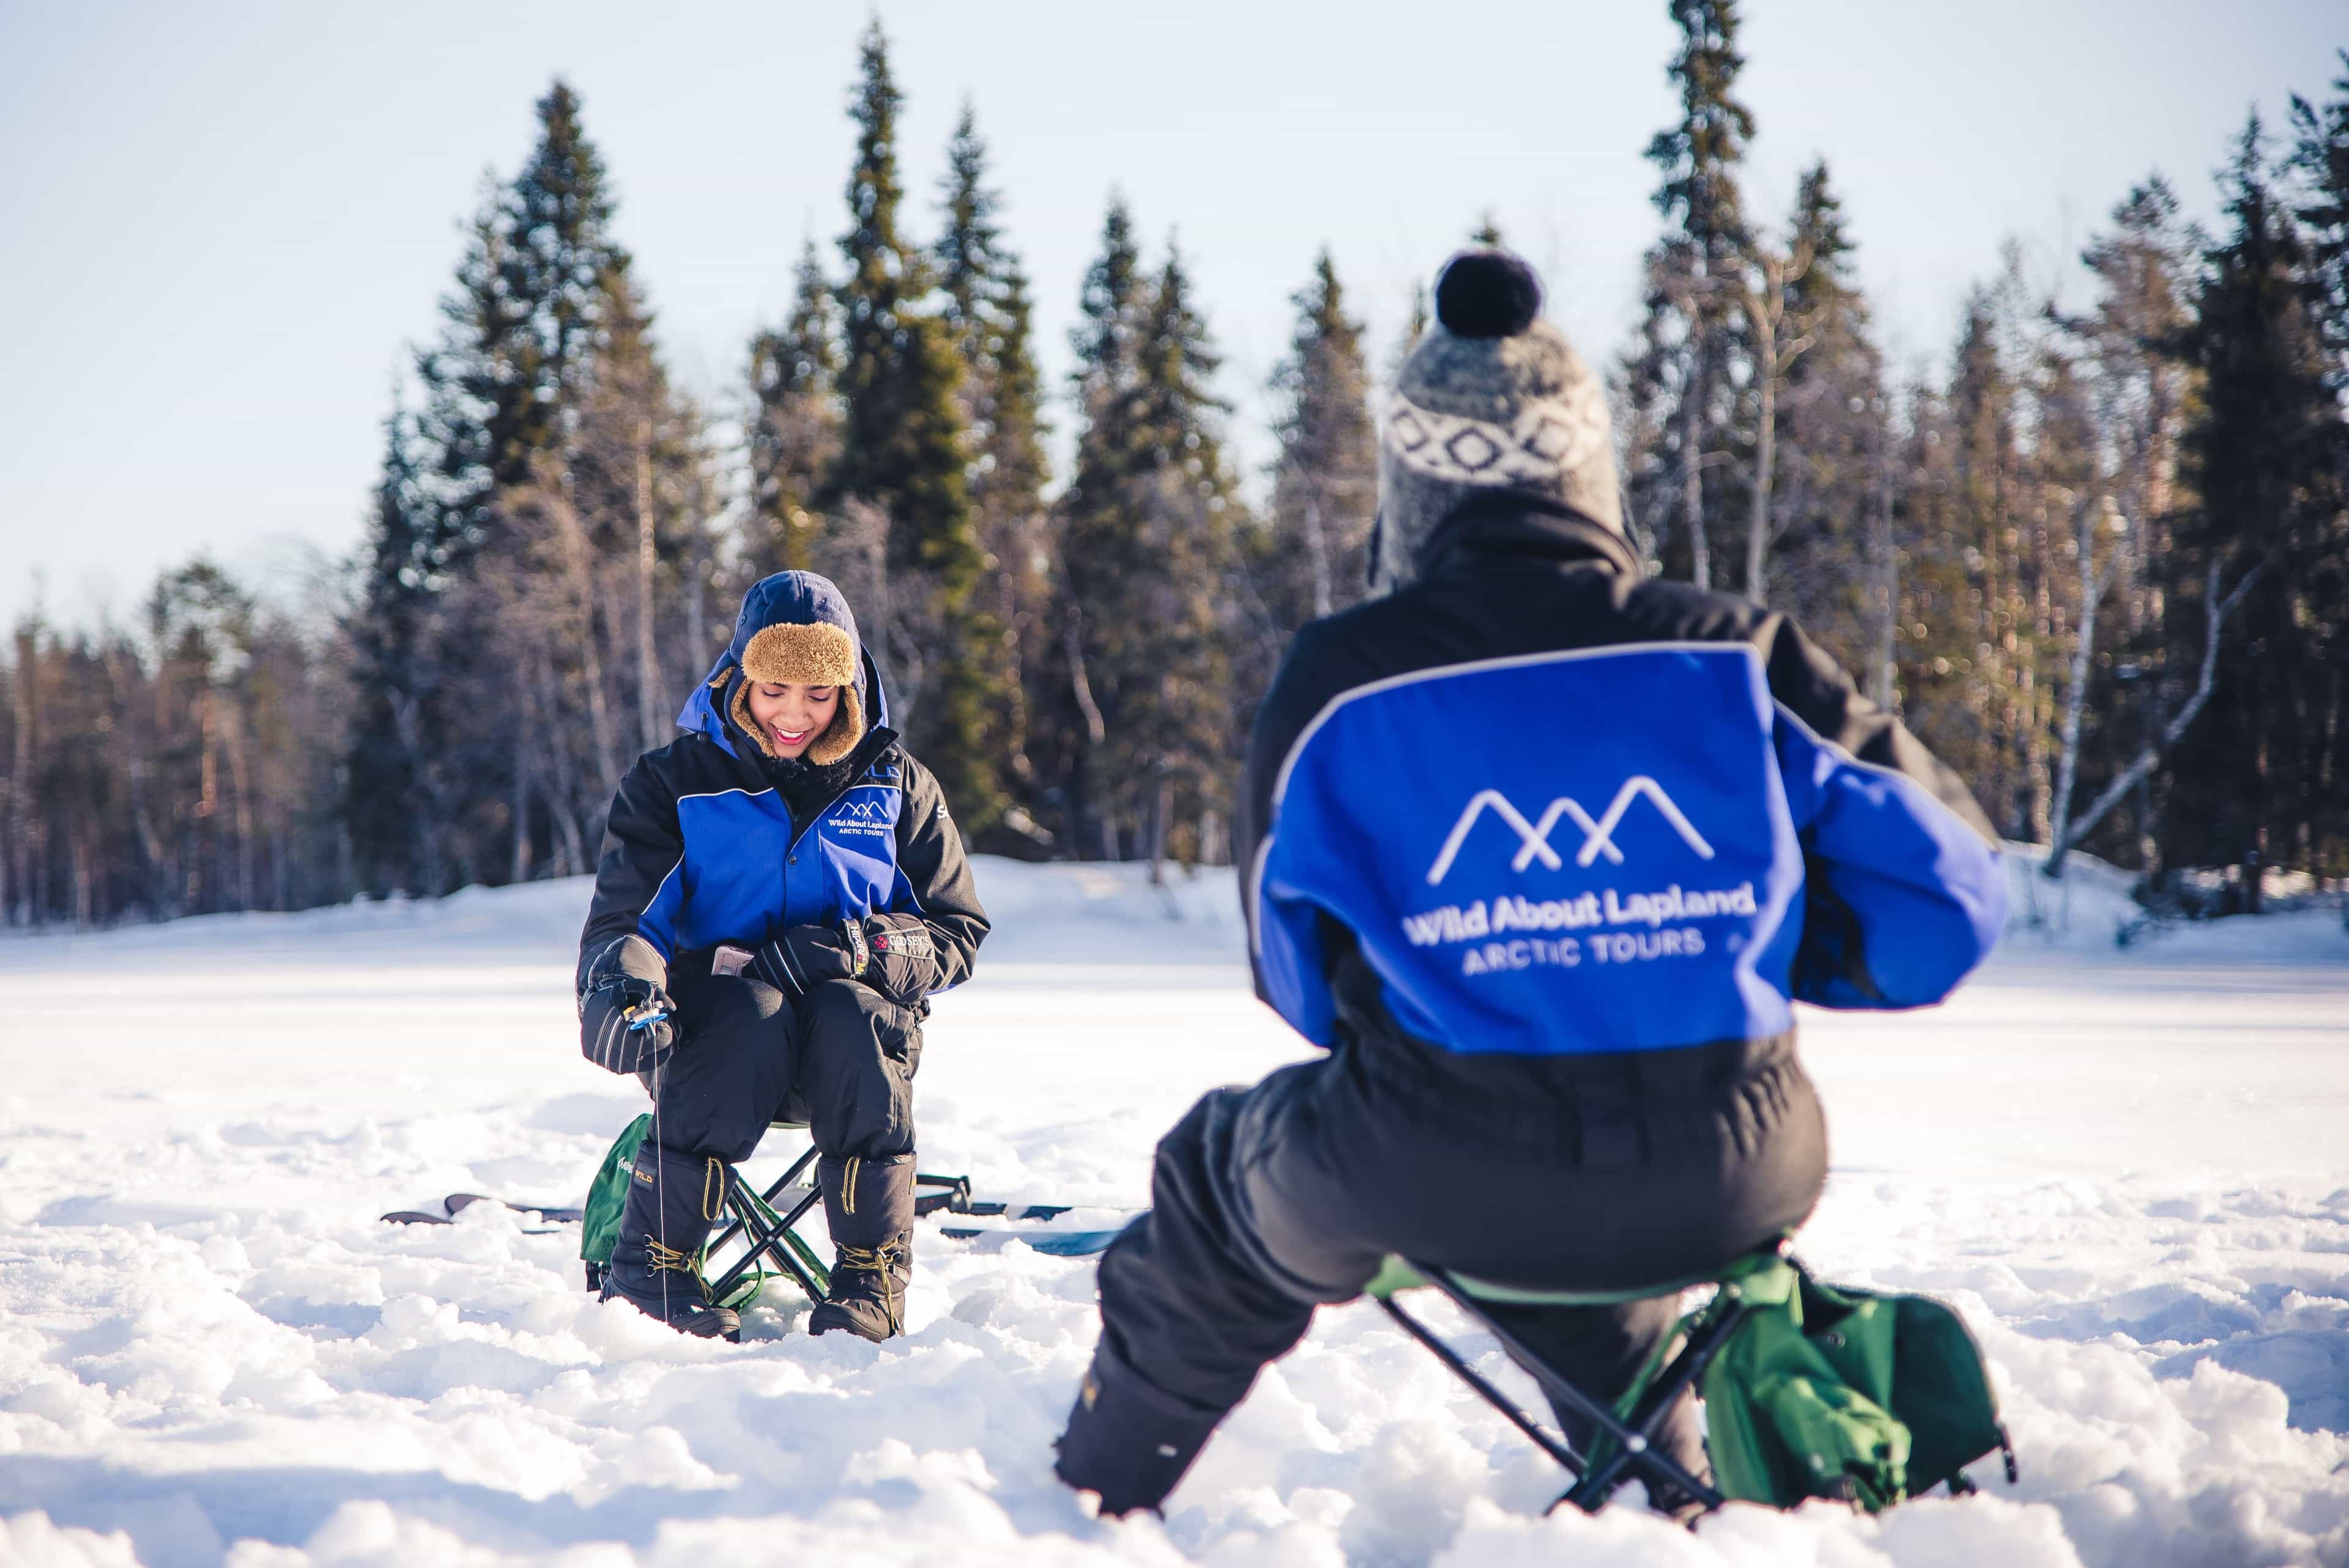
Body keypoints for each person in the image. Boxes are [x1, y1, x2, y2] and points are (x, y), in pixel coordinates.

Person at [1052, 250, 2008, 1516]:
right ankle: (1665, 1489)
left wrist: (1484, 970)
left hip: (1433, 1160)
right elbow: (1949, 905)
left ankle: (1085, 1503)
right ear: (1589, 475)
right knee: (1582, 1207)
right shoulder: (1734, 651)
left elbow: (1293, 976)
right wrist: (1745, 945)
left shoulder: (1346, 678)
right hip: (1736, 1163)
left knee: (1219, 1170)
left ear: (1413, 493)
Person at [575, 571, 987, 1343]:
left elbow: (956, 926)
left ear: (851, 690)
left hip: (854, 1051)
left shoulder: (897, 786)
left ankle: (870, 1276)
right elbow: (627, 921)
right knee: (752, 1010)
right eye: (773, 690)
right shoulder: (673, 783)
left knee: (849, 1010)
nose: (794, 714)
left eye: (819, 694)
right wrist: (619, 988)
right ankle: (653, 1267)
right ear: (738, 679)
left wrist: (856, 948)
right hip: (715, 1044)